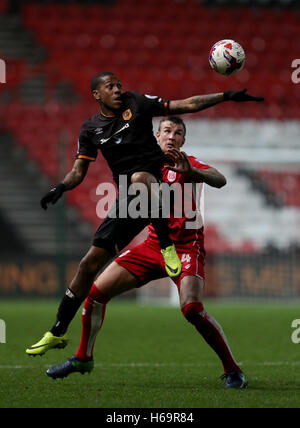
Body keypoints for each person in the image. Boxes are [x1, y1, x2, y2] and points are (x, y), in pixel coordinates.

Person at [26, 71, 263, 357]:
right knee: (88, 265)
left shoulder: (136, 103)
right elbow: (79, 170)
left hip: (153, 182)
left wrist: (225, 96)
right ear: (96, 94)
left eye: (119, 85)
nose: (117, 90)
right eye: (110, 86)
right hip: (129, 203)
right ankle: (57, 330)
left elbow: (185, 105)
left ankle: (167, 247)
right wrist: (60, 187)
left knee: (141, 178)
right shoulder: (90, 129)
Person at [46, 116, 247, 389]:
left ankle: (233, 370)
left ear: (183, 140)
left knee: (192, 309)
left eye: (178, 133)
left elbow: (220, 179)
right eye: (167, 131)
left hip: (187, 247)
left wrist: (193, 172)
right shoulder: (144, 165)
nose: (172, 136)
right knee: (95, 294)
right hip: (153, 246)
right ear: (157, 135)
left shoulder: (189, 163)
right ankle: (83, 357)